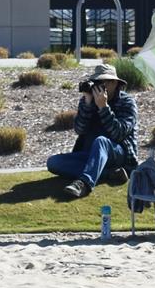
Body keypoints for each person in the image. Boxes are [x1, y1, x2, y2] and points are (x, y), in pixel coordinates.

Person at [45, 64, 138, 198]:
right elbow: (79, 129)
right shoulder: (88, 100)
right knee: (53, 162)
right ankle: (110, 174)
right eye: (96, 82)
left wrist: (103, 107)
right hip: (90, 155)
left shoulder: (127, 102)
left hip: (118, 153)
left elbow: (119, 133)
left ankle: (84, 183)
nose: (98, 86)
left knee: (101, 141)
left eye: (102, 82)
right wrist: (88, 105)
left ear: (114, 83)